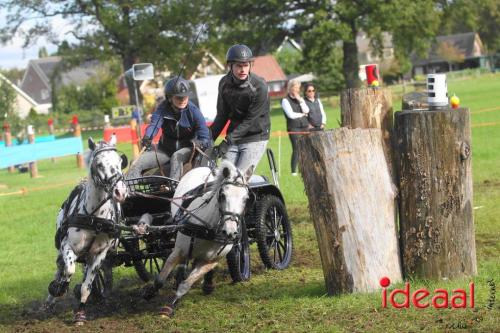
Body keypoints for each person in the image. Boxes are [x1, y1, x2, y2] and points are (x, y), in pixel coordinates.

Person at [126, 76, 211, 180]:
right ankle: (130, 192)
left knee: (176, 157)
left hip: (186, 150)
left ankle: (174, 190)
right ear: (170, 98)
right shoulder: (162, 109)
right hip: (165, 150)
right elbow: (154, 125)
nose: (183, 100)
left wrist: (201, 142)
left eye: (185, 96)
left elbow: (204, 134)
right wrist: (148, 137)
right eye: (178, 97)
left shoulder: (194, 111)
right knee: (136, 162)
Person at [210, 44, 270, 173]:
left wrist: (227, 141)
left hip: (255, 136)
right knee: (224, 177)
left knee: (238, 180)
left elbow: (250, 121)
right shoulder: (224, 83)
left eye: (246, 65)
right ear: (230, 66)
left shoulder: (260, 86)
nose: (243, 70)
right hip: (234, 137)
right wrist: (208, 139)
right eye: (238, 66)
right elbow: (222, 115)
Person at [281, 79, 310, 176]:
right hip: (294, 128)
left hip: (305, 126)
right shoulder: (285, 100)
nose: (297, 90)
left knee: (307, 148)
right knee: (297, 149)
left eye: (298, 87)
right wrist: (302, 114)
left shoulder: (300, 99)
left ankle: (305, 168)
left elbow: (307, 110)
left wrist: (301, 101)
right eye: (295, 87)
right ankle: (293, 171)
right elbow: (291, 115)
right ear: (290, 88)